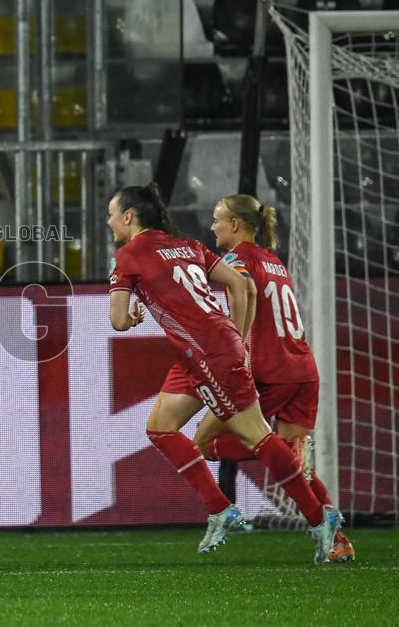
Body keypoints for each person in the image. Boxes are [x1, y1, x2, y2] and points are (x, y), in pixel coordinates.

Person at [107, 183, 341, 563]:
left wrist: (132, 312)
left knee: (259, 438)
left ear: (129, 217)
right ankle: (219, 507)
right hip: (205, 349)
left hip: (208, 353)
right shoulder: (188, 245)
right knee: (161, 427)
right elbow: (239, 285)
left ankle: (319, 520)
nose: (109, 221)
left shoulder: (129, 255)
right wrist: (241, 339)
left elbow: (118, 320)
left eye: (112, 213)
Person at [189, 194, 355, 562]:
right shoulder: (273, 260)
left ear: (235, 225)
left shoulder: (238, 258)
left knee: (199, 444)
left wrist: (234, 342)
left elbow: (241, 288)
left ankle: (289, 455)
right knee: (295, 463)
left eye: (217, 219)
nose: (212, 226)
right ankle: (337, 540)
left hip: (270, 371)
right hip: (303, 369)